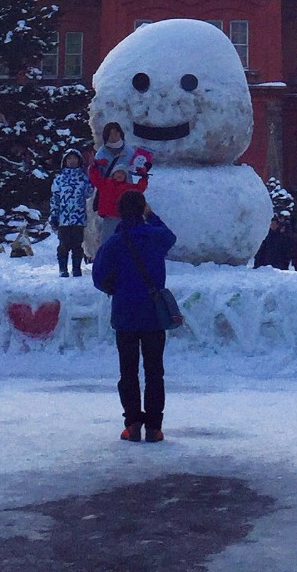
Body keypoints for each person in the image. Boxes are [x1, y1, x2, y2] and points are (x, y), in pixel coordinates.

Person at [91, 188, 177, 443]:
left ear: (119, 213)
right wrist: (151, 216)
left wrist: (114, 288)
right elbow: (170, 237)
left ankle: (132, 424)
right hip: (153, 315)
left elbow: (98, 276)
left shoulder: (115, 243)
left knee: (128, 372)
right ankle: (154, 427)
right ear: (142, 210)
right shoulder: (156, 237)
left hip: (125, 314)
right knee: (154, 372)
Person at [88, 123, 151, 249]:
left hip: (127, 203)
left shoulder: (129, 151)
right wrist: (94, 165)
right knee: (108, 238)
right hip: (108, 205)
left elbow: (138, 169)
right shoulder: (102, 153)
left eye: (116, 132)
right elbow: (96, 177)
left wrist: (144, 171)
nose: (114, 136)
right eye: (110, 133)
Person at [50, 148, 91, 277]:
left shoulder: (84, 178)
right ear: (65, 161)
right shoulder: (59, 179)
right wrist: (54, 215)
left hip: (79, 218)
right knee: (63, 245)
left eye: (75, 158)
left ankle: (76, 268)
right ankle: (63, 268)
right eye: (69, 158)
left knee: (77, 245)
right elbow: (55, 198)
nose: (72, 161)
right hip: (63, 218)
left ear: (79, 161)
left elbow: (89, 193)